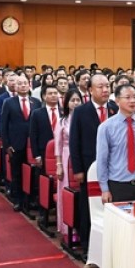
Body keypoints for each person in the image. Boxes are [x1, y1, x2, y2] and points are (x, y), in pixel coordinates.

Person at [68, 74, 117, 252]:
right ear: (90, 90)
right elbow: (74, 142)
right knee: (88, 206)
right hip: (89, 166)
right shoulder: (81, 111)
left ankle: (110, 244)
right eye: (100, 87)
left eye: (107, 86)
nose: (105, 90)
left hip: (114, 167)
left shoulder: (115, 108)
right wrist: (78, 169)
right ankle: (87, 245)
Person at [96, 84, 135, 203]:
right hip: (118, 185)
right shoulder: (106, 127)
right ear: (117, 100)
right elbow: (102, 160)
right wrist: (105, 189)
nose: (133, 101)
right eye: (128, 97)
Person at [0, 76, 41, 211]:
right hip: (16, 144)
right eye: (20, 84)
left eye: (25, 83)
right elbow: (4, 125)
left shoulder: (36, 102)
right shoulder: (8, 102)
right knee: (17, 173)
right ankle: (18, 200)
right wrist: (7, 145)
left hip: (33, 144)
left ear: (29, 85)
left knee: (33, 174)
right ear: (15, 86)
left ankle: (31, 200)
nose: (23, 86)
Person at [54, 89, 83, 235]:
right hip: (66, 157)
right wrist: (59, 165)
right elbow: (57, 145)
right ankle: (67, 228)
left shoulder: (84, 119)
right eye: (73, 100)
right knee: (67, 192)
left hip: (81, 157)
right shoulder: (62, 121)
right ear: (66, 103)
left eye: (78, 100)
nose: (76, 103)